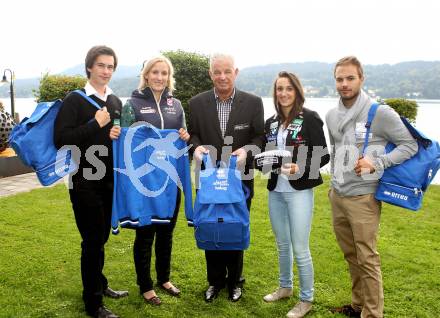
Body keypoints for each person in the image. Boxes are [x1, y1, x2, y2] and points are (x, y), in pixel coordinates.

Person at [326, 56, 418, 318]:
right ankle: (357, 306)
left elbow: (409, 145)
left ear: (361, 78)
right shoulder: (332, 115)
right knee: (350, 255)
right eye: (340, 79)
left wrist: (377, 162)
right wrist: (334, 183)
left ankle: (373, 314)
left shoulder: (379, 113)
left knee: (367, 258)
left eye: (350, 78)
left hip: (363, 198)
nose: (344, 84)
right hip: (338, 195)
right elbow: (336, 151)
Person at [109, 56, 189, 306]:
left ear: (169, 76)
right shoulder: (131, 104)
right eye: (155, 72)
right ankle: (145, 286)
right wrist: (114, 131)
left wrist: (185, 136)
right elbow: (122, 138)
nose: (159, 77)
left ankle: (164, 278)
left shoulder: (176, 105)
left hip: (170, 182)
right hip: (143, 182)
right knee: (145, 235)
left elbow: (183, 137)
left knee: (166, 232)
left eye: (164, 73)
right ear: (146, 75)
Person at [54, 45, 127, 318]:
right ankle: (93, 304)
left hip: (109, 180)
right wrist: (95, 124)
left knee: (101, 237)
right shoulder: (74, 100)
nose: (106, 71)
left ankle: (100, 284)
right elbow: (61, 140)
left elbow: (111, 140)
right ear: (89, 68)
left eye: (110, 67)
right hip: (83, 181)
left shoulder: (116, 101)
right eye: (101, 66)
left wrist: (115, 134)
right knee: (92, 240)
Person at [188, 53, 264, 302]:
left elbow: (259, 139)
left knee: (235, 227)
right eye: (217, 72)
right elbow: (194, 135)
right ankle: (215, 281)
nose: (222, 76)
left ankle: (235, 282)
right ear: (210, 73)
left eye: (227, 71)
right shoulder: (197, 103)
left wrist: (247, 151)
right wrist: (196, 147)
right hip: (208, 179)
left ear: (236, 72)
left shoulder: (253, 103)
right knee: (210, 226)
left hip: (240, 179)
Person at [261, 72, 329, 318]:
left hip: (299, 191)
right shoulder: (270, 122)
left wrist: (300, 166)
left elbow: (324, 155)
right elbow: (265, 155)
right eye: (279, 89)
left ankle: (306, 299)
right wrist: (262, 162)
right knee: (282, 244)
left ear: (297, 91)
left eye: (289, 88)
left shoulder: (310, 117)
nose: (284, 93)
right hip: (276, 190)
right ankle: (285, 287)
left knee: (300, 248)